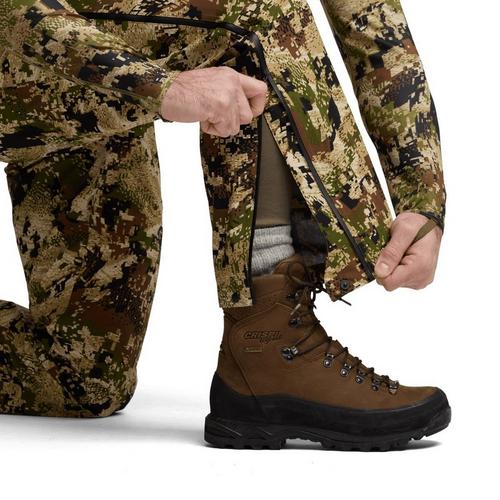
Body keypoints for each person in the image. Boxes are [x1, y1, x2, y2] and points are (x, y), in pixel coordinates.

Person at [0, 0, 450, 450]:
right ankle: (269, 337)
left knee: (81, 373)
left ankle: (263, 356)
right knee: (256, 16)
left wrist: (422, 200)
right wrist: (159, 85)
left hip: (74, 77)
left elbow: (369, 16)